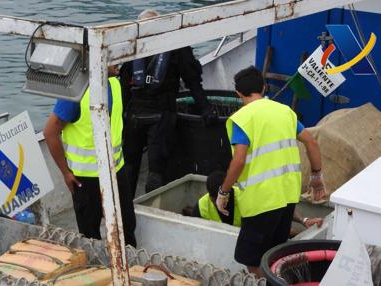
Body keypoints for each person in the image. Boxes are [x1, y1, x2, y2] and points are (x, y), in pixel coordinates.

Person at [216, 66, 326, 277]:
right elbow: (311, 142)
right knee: (275, 256)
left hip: (261, 201)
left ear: (238, 93)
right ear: (264, 87)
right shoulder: (285, 112)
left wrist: (224, 191)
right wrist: (316, 178)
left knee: (251, 260)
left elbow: (239, 161)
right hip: (287, 197)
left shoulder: (243, 118)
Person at [120, 9, 217, 197]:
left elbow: (123, 87)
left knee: (129, 166)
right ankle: (153, 207)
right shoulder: (177, 47)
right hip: (161, 117)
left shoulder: (129, 47)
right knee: (157, 169)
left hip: (133, 117)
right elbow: (193, 81)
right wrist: (206, 109)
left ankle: (125, 208)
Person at [43, 66, 137, 247]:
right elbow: (50, 133)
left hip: (116, 171)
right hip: (86, 180)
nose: (119, 62)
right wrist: (66, 173)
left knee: (126, 228)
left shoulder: (115, 84)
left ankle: (130, 269)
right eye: (111, 56)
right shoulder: (75, 93)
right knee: (90, 236)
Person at [190, 171, 323, 231]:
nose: (224, 201)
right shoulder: (201, 208)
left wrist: (304, 220)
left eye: (226, 195)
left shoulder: (243, 195)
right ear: (211, 196)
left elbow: (277, 205)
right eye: (218, 198)